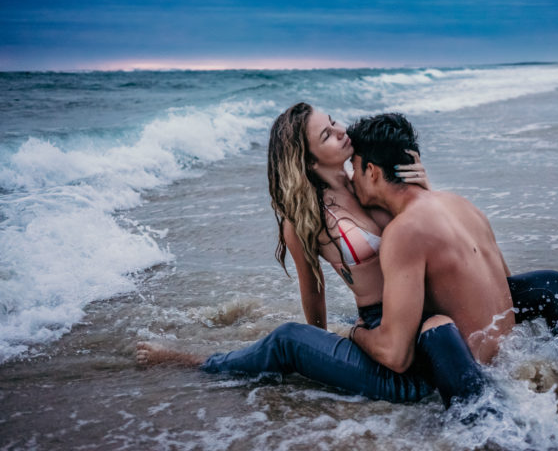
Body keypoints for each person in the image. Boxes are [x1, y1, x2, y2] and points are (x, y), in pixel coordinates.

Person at [137, 102, 483, 405]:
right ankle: (199, 363)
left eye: (333, 122)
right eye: (327, 136)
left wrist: (424, 189)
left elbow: (429, 232)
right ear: (309, 160)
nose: (341, 131)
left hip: (427, 319)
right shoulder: (307, 218)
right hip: (385, 339)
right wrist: (321, 346)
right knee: (287, 339)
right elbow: (313, 288)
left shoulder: (371, 177)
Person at [345, 113, 558, 405]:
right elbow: (502, 286)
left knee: (418, 328)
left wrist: (355, 332)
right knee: (551, 282)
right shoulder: (461, 205)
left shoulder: (403, 233)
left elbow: (395, 354)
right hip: (513, 356)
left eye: (353, 168)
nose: (351, 180)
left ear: (372, 170)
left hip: (479, 377)